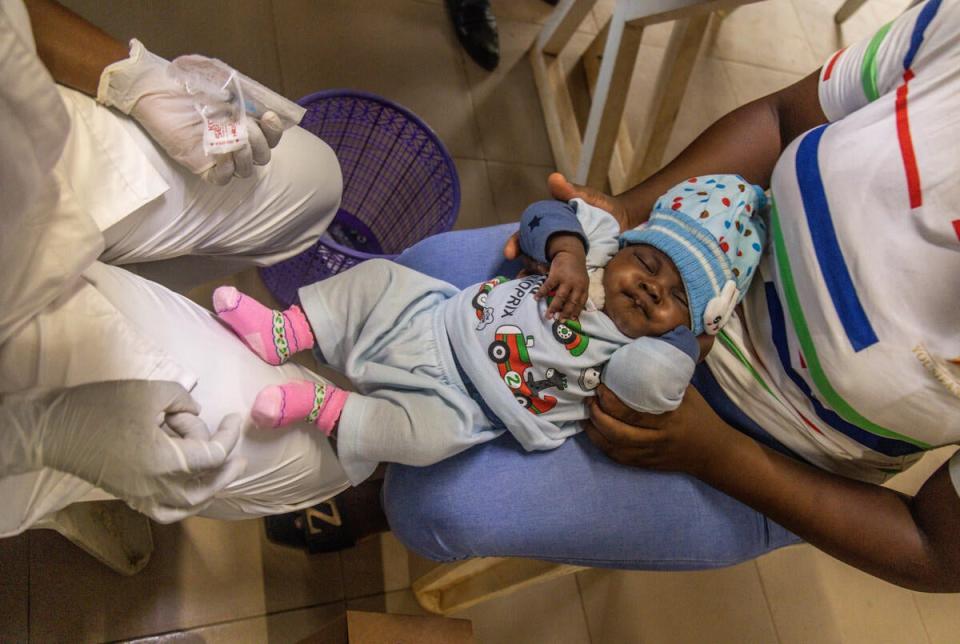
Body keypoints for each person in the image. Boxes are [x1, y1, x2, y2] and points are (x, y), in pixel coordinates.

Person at [379, 0, 960, 592]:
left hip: (772, 455)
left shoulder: (728, 445)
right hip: (674, 287)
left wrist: (718, 456)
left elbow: (940, 551)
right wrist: (619, 218)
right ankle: (357, 430)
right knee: (420, 277)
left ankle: (363, 479)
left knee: (435, 505)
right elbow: (785, 117)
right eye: (652, 272)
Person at [0, 0, 349, 535]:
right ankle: (74, 489)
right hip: (15, 378)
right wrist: (40, 434)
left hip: (34, 167)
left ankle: (142, 284)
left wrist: (132, 77)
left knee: (315, 178)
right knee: (311, 457)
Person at [210, 176, 767, 485]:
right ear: (628, 247)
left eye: (675, 298)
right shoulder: (596, 251)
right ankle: (286, 331)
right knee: (377, 279)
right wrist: (566, 252)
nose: (652, 290)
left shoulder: (643, 353)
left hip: (471, 408)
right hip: (439, 318)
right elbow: (540, 215)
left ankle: (322, 407)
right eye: (649, 267)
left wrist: (689, 343)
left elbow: (654, 382)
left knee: (421, 442)